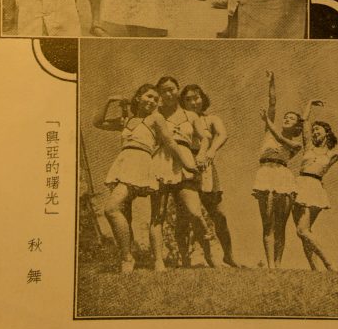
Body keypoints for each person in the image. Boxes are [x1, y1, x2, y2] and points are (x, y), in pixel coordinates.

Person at [94, 84, 197, 273]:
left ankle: (140, 259)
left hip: (143, 164)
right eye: (149, 96)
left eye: (155, 99)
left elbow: (170, 142)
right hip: (124, 163)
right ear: (138, 97)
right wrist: (110, 101)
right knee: (123, 213)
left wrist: (186, 164)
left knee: (113, 209)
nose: (152, 101)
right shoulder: (127, 120)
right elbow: (98, 122)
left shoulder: (155, 119)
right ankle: (127, 257)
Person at [154, 76, 220, 268]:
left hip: (186, 163)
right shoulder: (155, 114)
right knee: (160, 215)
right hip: (161, 161)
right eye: (164, 90)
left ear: (177, 90)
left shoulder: (190, 115)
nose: (168, 93)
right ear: (159, 93)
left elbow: (205, 137)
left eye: (172, 89)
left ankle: (210, 255)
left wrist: (201, 154)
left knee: (194, 212)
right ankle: (183, 260)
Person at [293, 100, 338, 270]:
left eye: (319, 130)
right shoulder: (308, 146)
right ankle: (315, 270)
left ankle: (329, 263)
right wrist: (309, 103)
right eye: (314, 130)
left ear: (327, 133)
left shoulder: (333, 153)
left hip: (315, 187)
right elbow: (305, 122)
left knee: (303, 230)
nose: (315, 132)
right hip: (298, 184)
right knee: (304, 232)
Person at [180, 83, 239, 268]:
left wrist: (212, 150)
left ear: (202, 98)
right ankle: (186, 259)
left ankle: (228, 256)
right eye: (187, 99)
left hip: (206, 168)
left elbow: (222, 134)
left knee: (219, 214)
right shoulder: (180, 120)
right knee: (187, 215)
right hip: (184, 168)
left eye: (196, 97)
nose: (192, 102)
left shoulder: (211, 119)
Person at [253, 71, 302, 269]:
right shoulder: (269, 130)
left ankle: (279, 264)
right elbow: (272, 103)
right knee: (267, 222)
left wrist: (268, 122)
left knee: (281, 223)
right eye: (286, 116)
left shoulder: (295, 143)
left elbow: (282, 140)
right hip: (265, 172)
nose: (287, 119)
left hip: (283, 175)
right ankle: (270, 265)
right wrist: (272, 82)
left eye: (291, 118)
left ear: (297, 125)